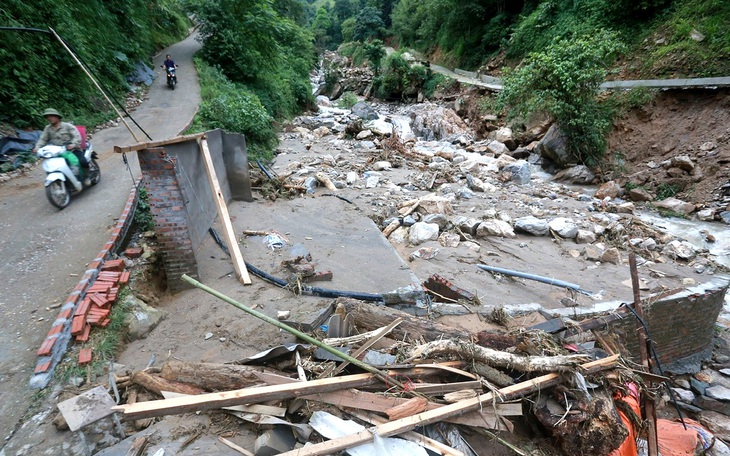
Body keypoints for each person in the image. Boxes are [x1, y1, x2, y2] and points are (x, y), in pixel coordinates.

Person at [33, 108, 90, 185]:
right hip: (57, 152)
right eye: (48, 117)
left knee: (83, 161)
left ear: (57, 116)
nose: (49, 118)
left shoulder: (67, 126)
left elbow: (77, 136)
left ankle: (86, 177)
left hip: (72, 150)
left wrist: (73, 145)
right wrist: (37, 147)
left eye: (51, 116)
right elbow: (43, 139)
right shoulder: (48, 128)